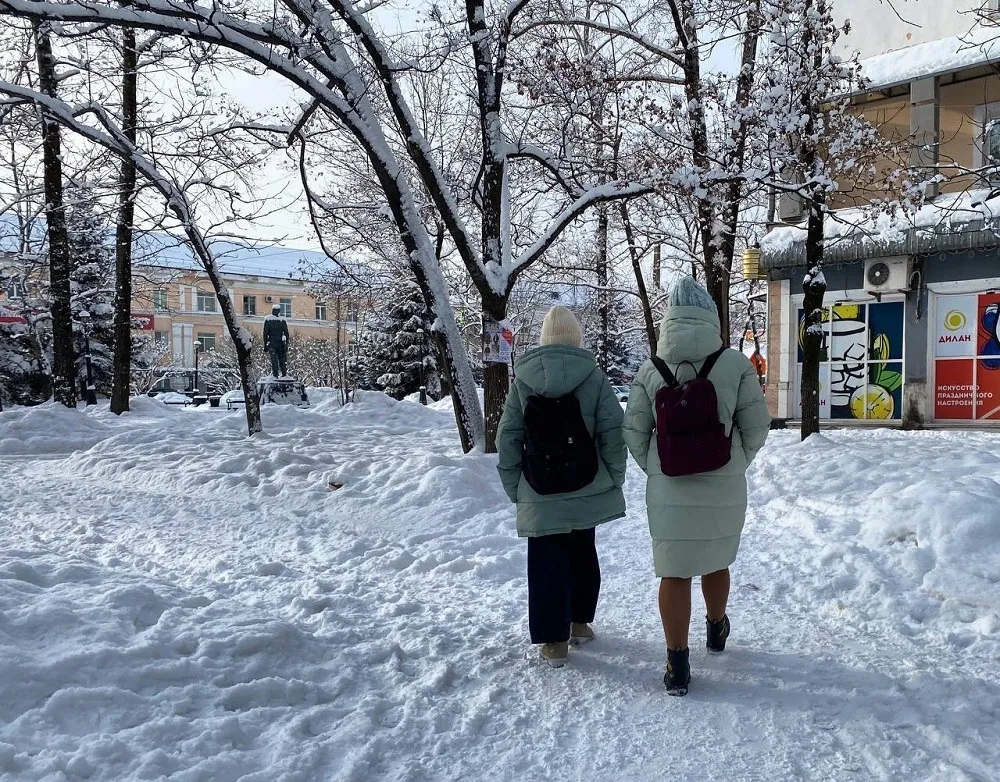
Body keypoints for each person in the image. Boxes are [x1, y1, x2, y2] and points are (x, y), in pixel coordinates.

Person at [624, 277, 770, 695]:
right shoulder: (735, 363)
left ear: (669, 318)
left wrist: (657, 466)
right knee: (715, 559)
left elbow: (634, 432)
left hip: (668, 487)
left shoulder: (650, 370)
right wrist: (734, 459)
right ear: (711, 318)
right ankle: (716, 629)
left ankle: (677, 663)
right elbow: (756, 426)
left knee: (673, 572)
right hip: (723, 482)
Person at [496, 305, 627, 668]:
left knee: (545, 564)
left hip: (539, 489)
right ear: (576, 338)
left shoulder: (522, 379)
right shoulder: (594, 377)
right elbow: (613, 432)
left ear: (544, 338)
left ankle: (554, 643)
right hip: (586, 482)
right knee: (582, 551)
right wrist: (613, 476)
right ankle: (579, 624)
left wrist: (515, 487)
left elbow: (507, 436)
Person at [263, 304, 290, 378]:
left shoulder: (271, 320)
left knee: (280, 360)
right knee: (278, 360)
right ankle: (277, 375)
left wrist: (265, 345)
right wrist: (265, 344)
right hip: (275, 344)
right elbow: (265, 334)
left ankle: (282, 375)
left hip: (277, 344)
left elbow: (286, 334)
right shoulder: (270, 320)